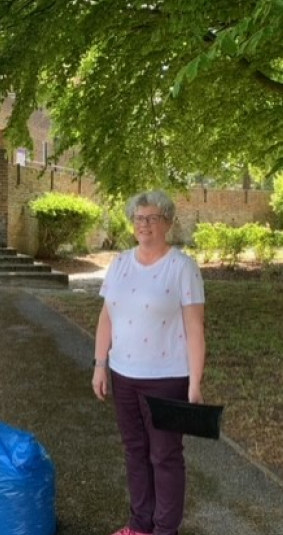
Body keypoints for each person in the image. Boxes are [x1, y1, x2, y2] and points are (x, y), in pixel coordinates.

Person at [91, 190, 206, 535]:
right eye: (139, 218)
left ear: (168, 222)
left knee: (165, 457)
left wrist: (195, 383)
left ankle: (164, 529)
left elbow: (195, 327)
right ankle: (139, 524)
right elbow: (106, 317)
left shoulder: (182, 267)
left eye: (153, 218)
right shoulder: (120, 263)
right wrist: (100, 364)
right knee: (135, 452)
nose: (145, 225)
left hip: (167, 378)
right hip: (123, 374)